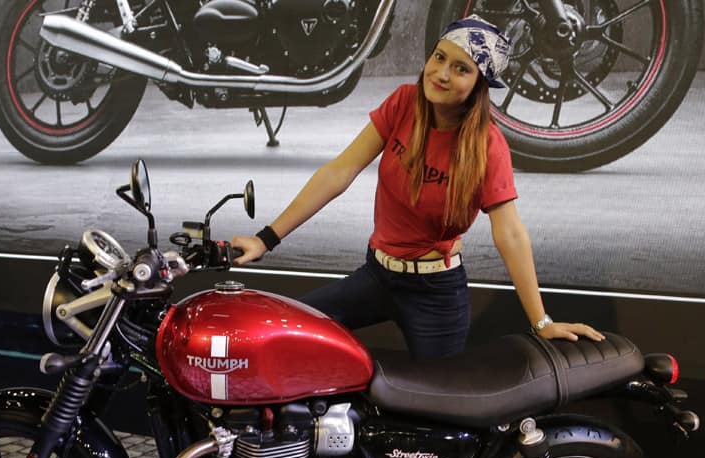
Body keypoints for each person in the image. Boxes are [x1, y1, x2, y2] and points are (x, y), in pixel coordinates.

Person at [233, 14, 603, 359]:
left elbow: (510, 233)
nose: (441, 73)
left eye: (461, 68)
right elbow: (339, 172)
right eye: (439, 57)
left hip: (435, 294)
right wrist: (266, 238)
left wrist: (542, 322)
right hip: (376, 275)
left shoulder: (488, 146)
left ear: (480, 83)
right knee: (288, 333)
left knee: (438, 413)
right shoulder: (403, 104)